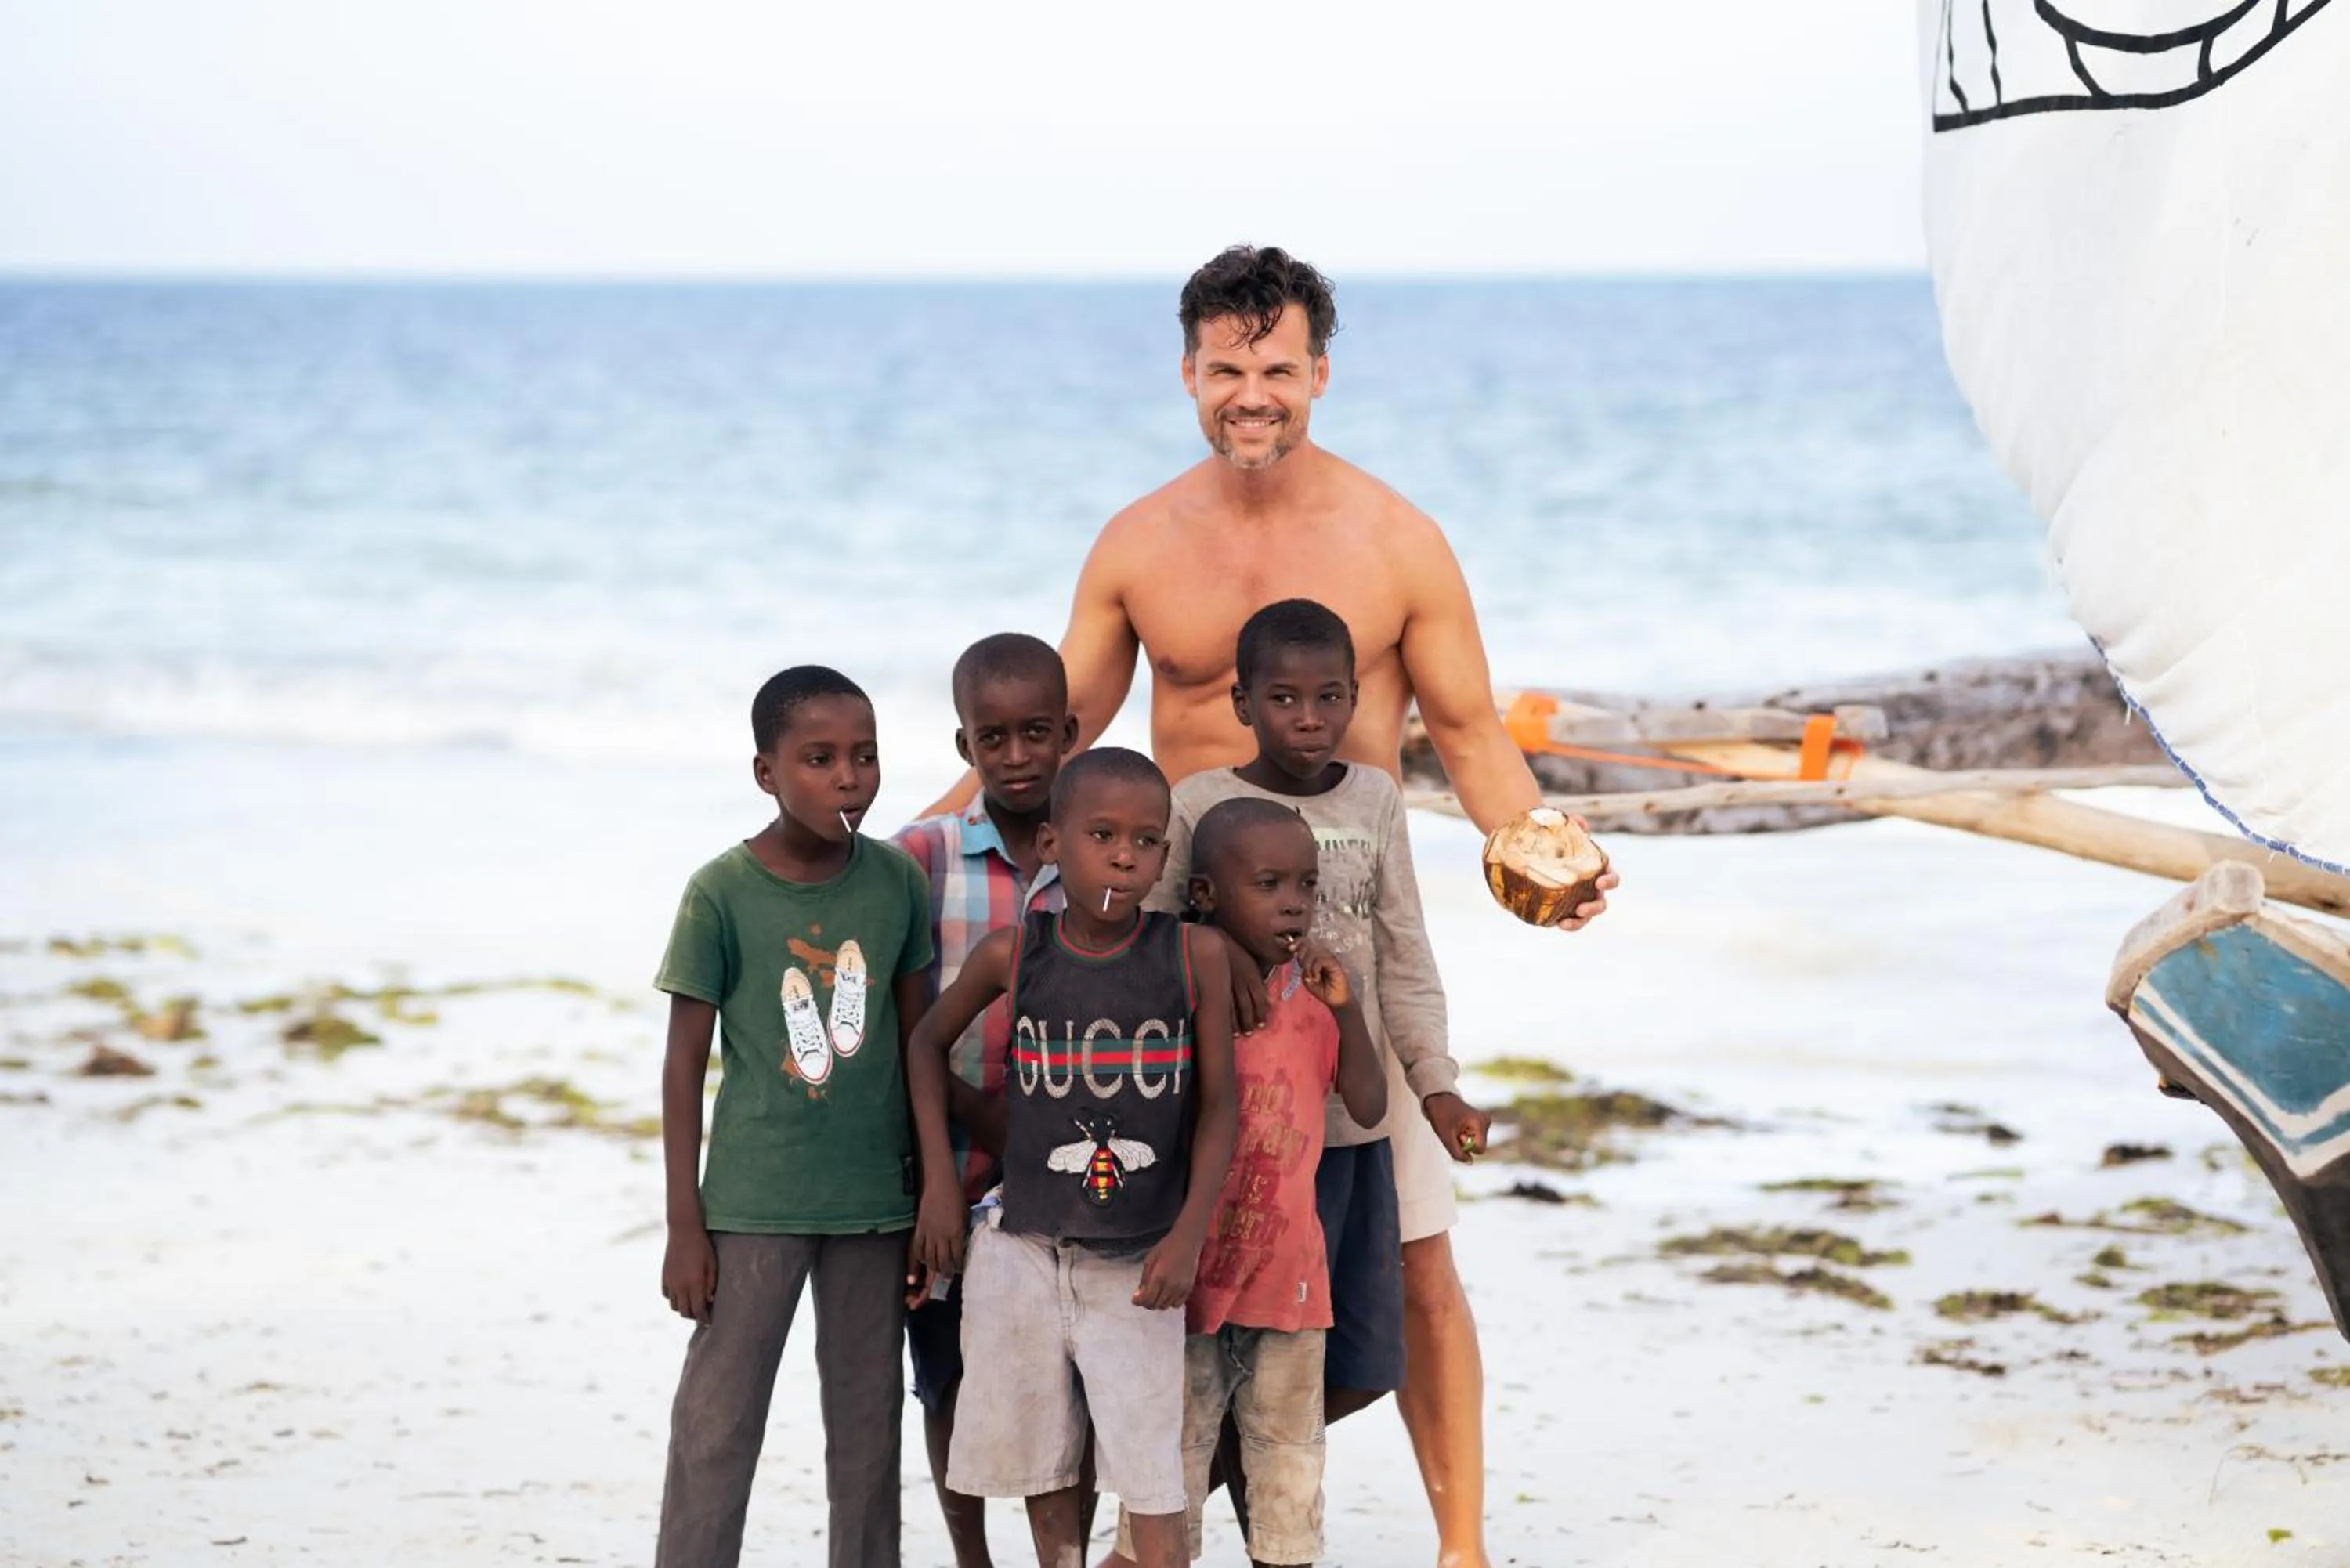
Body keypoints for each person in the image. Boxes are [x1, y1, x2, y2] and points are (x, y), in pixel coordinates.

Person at [924, 245, 1618, 1566]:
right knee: (1170, 1250)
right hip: (1178, 961)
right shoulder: (1139, 540)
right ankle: (1161, 1524)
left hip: (1341, 948)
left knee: (1415, 1254)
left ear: (1322, 373)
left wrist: (1547, 848)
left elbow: (1470, 730)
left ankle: (1460, 1547)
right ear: (1190, 372)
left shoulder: (1395, 539)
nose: (1255, 394)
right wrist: (922, 846)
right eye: (1229, 369)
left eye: (1280, 369)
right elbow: (1049, 734)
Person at [905, 747, 1238, 1568]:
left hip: (1137, 1262)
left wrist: (1189, 1235)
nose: (1126, 854)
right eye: (1102, 834)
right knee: (1043, 1460)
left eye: (1147, 840)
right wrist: (942, 1184)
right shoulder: (1014, 954)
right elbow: (922, 1044)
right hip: (1021, 1249)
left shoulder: (1192, 957)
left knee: (1152, 1474)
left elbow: (1221, 1105)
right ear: (1053, 844)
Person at [652, 665, 937, 1568]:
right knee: (717, 1427)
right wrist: (683, 1222)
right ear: (766, 772)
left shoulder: (895, 883)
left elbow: (919, 1046)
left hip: (874, 1207)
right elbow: (682, 1064)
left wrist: (934, 1193)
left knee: (867, 1437)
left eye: (864, 756)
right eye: (818, 758)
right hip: (751, 1207)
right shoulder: (720, 893)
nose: (848, 777)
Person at [1114, 797, 1388, 1567]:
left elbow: (1367, 1103)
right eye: (1268, 883)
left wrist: (1351, 1012)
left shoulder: (1318, 997)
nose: (1294, 902)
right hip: (1186, 1281)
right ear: (1204, 894)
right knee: (1172, 1458)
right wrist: (1199, 947)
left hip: (1290, 1282)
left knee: (1287, 1464)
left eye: (1304, 883)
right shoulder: (1178, 988)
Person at [891, 632, 1082, 1568]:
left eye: (1035, 733)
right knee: (947, 1379)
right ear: (964, 747)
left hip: (1075, 1180)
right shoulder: (918, 856)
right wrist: (967, 1131)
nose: (1015, 757)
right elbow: (900, 1024)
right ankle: (972, 1557)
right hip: (949, 1174)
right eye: (992, 737)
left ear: (1070, 734)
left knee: (1067, 1380)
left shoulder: (1104, 850)